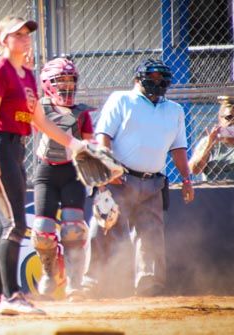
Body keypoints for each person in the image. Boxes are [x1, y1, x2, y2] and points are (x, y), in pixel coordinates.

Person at [0, 16, 90, 316]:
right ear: (3, 40)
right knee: (16, 226)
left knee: (4, 228)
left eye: (27, 33)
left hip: (16, 150)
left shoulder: (26, 74)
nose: (26, 38)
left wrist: (75, 144)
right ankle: (11, 296)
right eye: (18, 34)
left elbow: (40, 121)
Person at [83, 58, 195, 297]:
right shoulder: (121, 99)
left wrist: (187, 179)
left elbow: (179, 149)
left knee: (151, 234)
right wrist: (108, 170)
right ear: (138, 78)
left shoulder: (174, 110)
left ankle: (149, 285)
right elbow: (103, 137)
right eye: (152, 77)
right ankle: (90, 283)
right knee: (104, 226)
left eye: (162, 78)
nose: (158, 82)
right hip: (119, 179)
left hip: (153, 182)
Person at [31, 56, 94, 301]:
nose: (67, 86)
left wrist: (101, 177)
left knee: (73, 229)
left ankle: (75, 283)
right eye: (60, 81)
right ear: (47, 83)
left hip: (73, 173)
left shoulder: (82, 113)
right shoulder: (39, 109)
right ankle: (50, 273)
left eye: (71, 80)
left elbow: (89, 146)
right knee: (43, 229)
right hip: (47, 171)